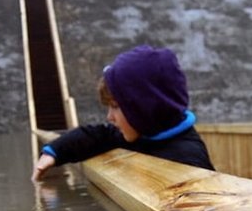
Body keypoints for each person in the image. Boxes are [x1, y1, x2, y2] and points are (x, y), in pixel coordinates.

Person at [32, 45, 214, 181]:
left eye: (116, 107)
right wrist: (53, 152)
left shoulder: (189, 160)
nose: (109, 116)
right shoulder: (142, 134)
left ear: (145, 108)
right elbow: (96, 135)